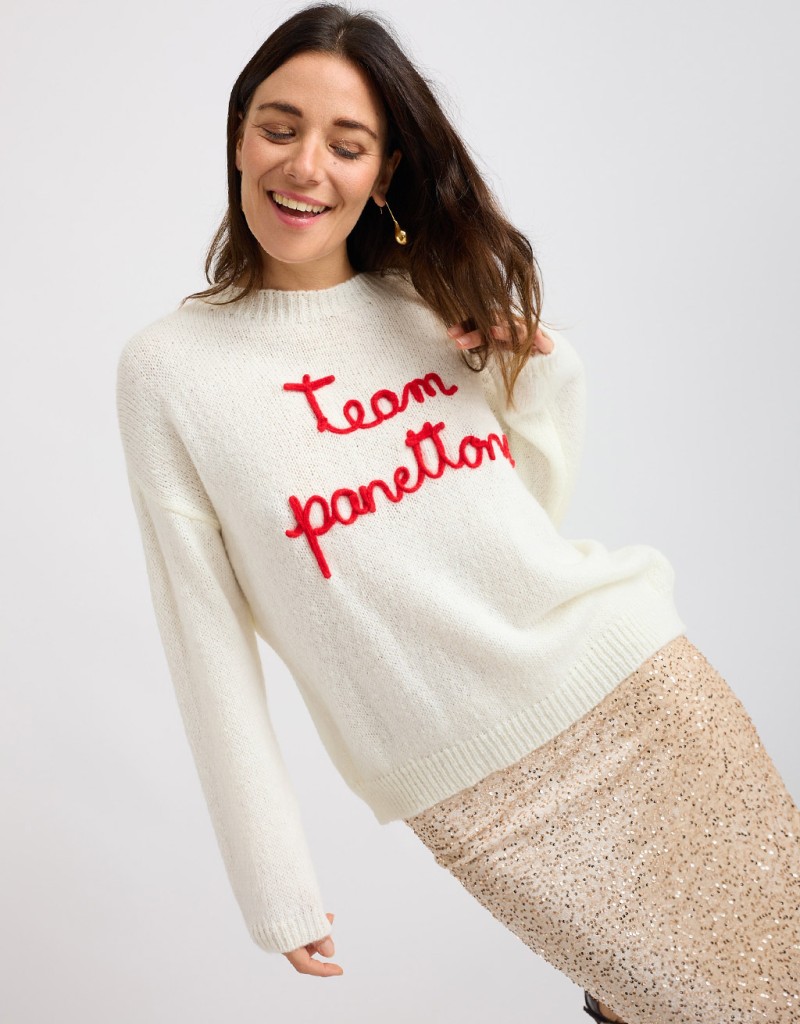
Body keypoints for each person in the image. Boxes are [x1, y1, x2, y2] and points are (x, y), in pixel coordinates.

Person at [114, 3, 800, 1022]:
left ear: (383, 171)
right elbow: (201, 636)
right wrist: (272, 879)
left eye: (347, 144)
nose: (304, 166)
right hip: (476, 788)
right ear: (238, 136)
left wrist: (542, 370)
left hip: (637, 689)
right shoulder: (171, 370)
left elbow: (512, 528)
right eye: (278, 127)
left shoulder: (423, 304)